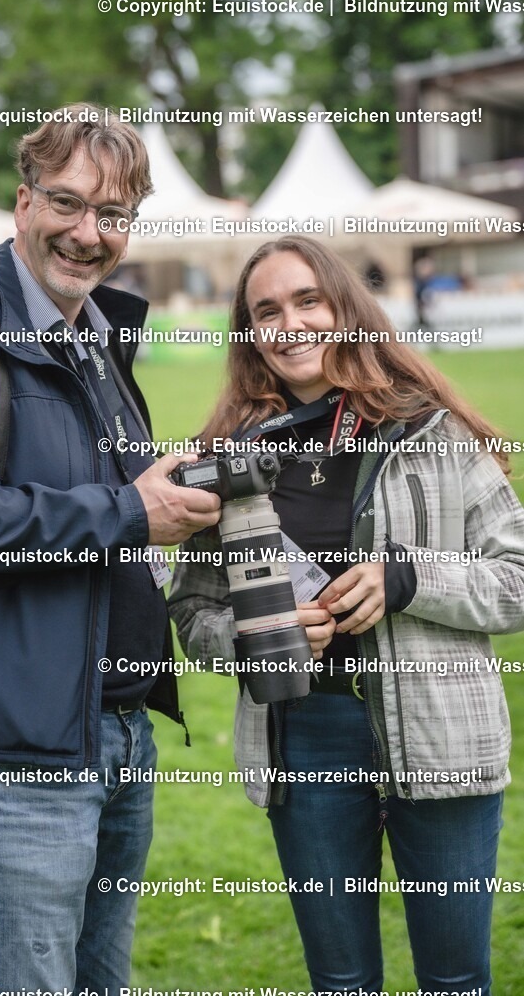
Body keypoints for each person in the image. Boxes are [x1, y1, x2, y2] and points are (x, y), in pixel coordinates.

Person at [0, 103, 220, 991]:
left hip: (118, 734)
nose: (87, 233)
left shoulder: (100, 338)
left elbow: (111, 506)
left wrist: (173, 491)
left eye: (112, 216)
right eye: (67, 204)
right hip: (19, 747)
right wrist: (125, 511)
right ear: (23, 201)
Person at [169, 235, 524, 995]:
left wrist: (406, 578)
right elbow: (194, 610)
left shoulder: (434, 433)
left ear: (345, 310)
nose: (289, 323)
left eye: (307, 301)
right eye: (266, 311)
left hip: (441, 737)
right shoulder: (225, 459)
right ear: (250, 333)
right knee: (339, 981)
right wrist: (257, 640)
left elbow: (516, 578)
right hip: (306, 740)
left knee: (456, 979)